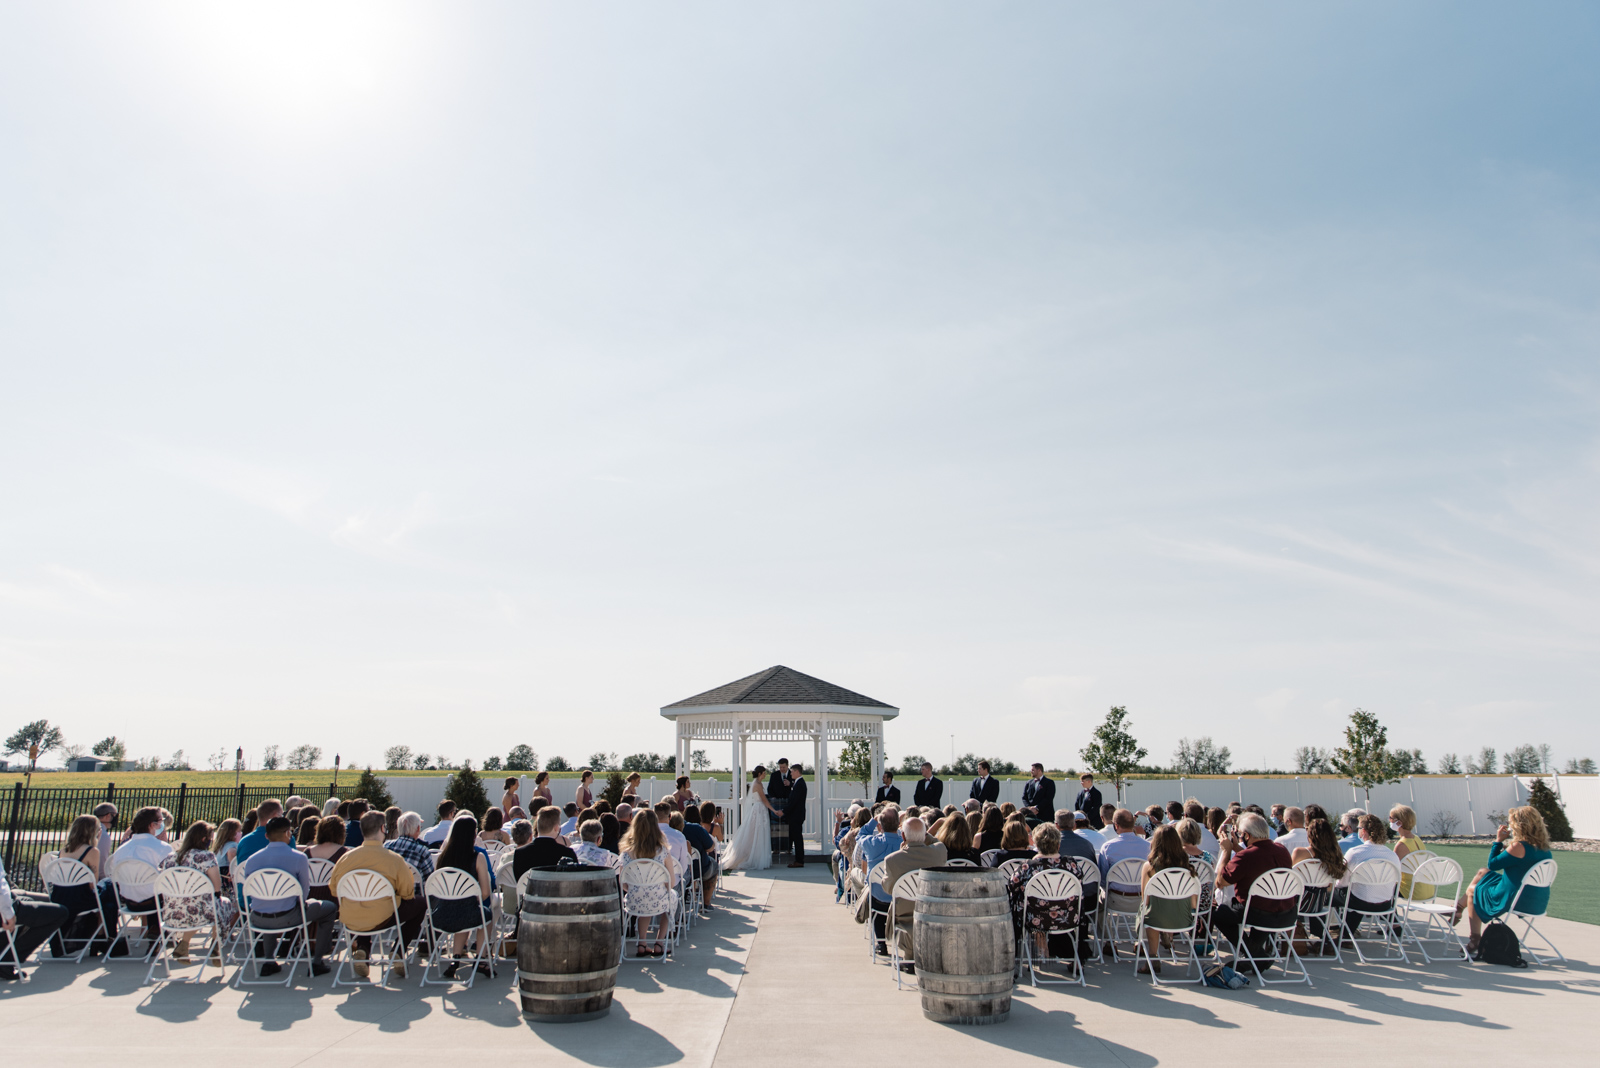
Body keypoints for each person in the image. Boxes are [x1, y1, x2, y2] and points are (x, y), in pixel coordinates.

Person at [240, 816, 337, 977]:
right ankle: (317, 961)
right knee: (329, 908)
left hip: (257, 917)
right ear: (288, 833)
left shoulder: (252, 860)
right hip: (289, 916)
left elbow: (250, 890)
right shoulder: (298, 857)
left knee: (270, 904)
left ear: (266, 836)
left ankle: (269, 960)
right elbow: (304, 892)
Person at [331, 811, 422, 978]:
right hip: (383, 917)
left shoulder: (346, 858)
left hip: (351, 918)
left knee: (363, 905)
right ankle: (399, 951)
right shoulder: (394, 860)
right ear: (383, 828)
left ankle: (363, 949)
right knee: (420, 903)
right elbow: (407, 893)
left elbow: (334, 889)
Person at [1456, 806, 1553, 953]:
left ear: (1519, 826)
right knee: (1483, 872)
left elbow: (1493, 864)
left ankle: (1475, 939)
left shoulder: (1518, 847)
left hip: (1514, 898)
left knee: (1473, 891)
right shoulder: (1545, 848)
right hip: (1536, 899)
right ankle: (1458, 908)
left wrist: (1498, 841)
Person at [1211, 812, 1295, 961]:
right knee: (1259, 905)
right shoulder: (1281, 850)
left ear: (1246, 835)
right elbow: (1259, 860)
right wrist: (1237, 848)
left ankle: (1258, 957)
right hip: (1286, 912)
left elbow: (1221, 882)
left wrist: (1226, 851)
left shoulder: (1246, 856)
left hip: (1257, 913)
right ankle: (1256, 959)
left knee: (1219, 914)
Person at [158, 820, 239, 960]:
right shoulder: (206, 857)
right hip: (199, 913)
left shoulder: (169, 859)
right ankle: (216, 944)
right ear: (203, 839)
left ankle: (185, 943)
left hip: (171, 912)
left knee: (210, 906)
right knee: (223, 904)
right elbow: (217, 887)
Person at [98, 805, 174, 953]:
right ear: (153, 825)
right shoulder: (162, 847)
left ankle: (155, 930)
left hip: (128, 901)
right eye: (161, 821)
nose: (162, 824)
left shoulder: (122, 849)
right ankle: (161, 931)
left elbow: (114, 876)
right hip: (156, 902)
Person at [432, 815, 495, 978]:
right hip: (467, 913)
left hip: (440, 915)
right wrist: (470, 900)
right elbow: (486, 892)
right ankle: (481, 959)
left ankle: (456, 958)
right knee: (485, 915)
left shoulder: (442, 857)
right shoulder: (477, 857)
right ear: (473, 835)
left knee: (464, 911)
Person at [881, 817, 948, 967]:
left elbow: (888, 889)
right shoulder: (939, 852)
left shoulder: (892, 860)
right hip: (933, 910)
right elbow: (936, 842)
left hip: (904, 913)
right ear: (925, 836)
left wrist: (903, 848)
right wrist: (924, 835)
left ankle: (909, 958)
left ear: (903, 836)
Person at [1135, 826, 1199, 976]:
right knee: (1162, 908)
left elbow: (1145, 899)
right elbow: (1193, 904)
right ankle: (1166, 935)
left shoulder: (1149, 866)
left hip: (1157, 917)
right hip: (1184, 919)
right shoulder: (1188, 868)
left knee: (1148, 911)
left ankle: (1153, 956)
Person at [0, 857, 69, 980]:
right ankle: (8, 960)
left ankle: (5, 954)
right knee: (60, 913)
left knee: (30, 902)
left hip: (11, 901)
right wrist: (8, 914)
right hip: (4, 909)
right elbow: (1, 888)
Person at [620, 810, 676, 958]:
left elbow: (623, 883)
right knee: (672, 897)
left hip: (634, 901)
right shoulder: (662, 851)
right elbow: (671, 882)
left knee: (643, 899)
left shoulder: (626, 853)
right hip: (659, 901)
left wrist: (637, 887)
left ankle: (642, 943)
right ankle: (659, 942)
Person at [47, 815, 105, 957]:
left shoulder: (63, 850)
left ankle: (100, 939)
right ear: (93, 832)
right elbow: (93, 884)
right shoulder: (92, 851)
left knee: (105, 895)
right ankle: (103, 939)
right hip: (81, 898)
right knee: (108, 897)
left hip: (59, 896)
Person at [1288, 817, 1346, 953]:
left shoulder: (1300, 852)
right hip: (1319, 904)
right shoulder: (1334, 855)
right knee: (1317, 892)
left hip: (1297, 903)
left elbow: (1289, 879)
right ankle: (1321, 940)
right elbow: (1330, 888)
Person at [1342, 814, 1402, 935]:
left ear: (1363, 831)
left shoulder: (1355, 853)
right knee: (1362, 892)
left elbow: (1342, 882)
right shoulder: (1392, 855)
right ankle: (1346, 934)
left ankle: (1335, 933)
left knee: (1333, 894)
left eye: (1358, 829)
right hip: (1385, 904)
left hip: (1359, 902)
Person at [720, 766, 778, 872]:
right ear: (760, 773)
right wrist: (774, 810)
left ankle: (758, 857)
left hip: (761, 809)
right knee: (756, 833)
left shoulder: (758, 783)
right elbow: (764, 800)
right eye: (764, 773)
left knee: (760, 833)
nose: (765, 775)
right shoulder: (757, 784)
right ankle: (752, 858)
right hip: (759, 809)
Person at [512, 806, 578, 880]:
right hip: (556, 891)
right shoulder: (567, 854)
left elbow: (519, 882)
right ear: (556, 828)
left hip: (530, 891)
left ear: (537, 826)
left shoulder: (520, 853)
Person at [1097, 809, 1151, 892]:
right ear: (1133, 824)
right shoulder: (1148, 846)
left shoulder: (1107, 847)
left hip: (1115, 898)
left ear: (1116, 826)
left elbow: (1103, 881)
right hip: (1142, 897)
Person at [1389, 804, 1432, 899]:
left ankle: (1389, 913)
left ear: (1399, 823)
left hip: (1411, 890)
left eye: (1391, 818)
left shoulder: (1401, 845)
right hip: (1427, 888)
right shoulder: (1416, 838)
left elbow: (1392, 871)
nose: (1389, 821)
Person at [384, 812, 436, 887]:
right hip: (413, 895)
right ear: (418, 828)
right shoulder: (422, 851)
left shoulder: (386, 846)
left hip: (390, 892)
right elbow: (430, 881)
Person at [234, 798, 284, 871]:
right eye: (282, 815)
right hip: (278, 881)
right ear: (276, 816)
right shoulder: (285, 838)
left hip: (247, 881)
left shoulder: (243, 841)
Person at [784, 764, 809, 867]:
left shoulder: (800, 784)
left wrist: (784, 811)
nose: (790, 773)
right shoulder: (797, 783)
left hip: (796, 816)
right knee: (796, 837)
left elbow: (794, 801)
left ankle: (799, 860)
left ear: (797, 772)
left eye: (792, 771)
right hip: (795, 815)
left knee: (797, 838)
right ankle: (798, 859)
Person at [92, 802, 118, 880]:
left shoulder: (89, 830)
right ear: (108, 816)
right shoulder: (103, 835)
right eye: (114, 816)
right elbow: (101, 863)